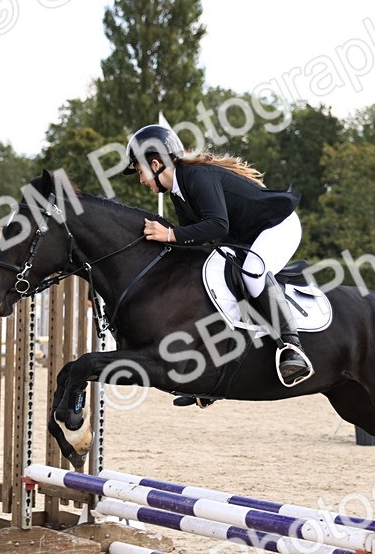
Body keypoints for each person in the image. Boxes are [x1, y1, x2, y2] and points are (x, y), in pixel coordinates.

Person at [123, 124, 313, 405]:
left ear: (155, 164)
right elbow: (197, 243)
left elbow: (217, 226)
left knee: (252, 273)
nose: (141, 180)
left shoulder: (196, 176)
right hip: (248, 237)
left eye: (140, 171)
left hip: (278, 226)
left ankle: (292, 348)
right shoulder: (179, 192)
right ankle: (214, 375)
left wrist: (170, 234)